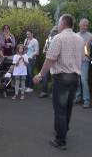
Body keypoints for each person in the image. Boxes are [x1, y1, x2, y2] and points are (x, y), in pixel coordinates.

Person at [33, 14, 84, 150]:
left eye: (59, 21)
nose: (58, 24)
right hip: (75, 77)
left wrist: (40, 75)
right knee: (67, 108)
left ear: (63, 23)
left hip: (62, 78)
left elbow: (50, 59)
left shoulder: (58, 37)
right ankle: (63, 130)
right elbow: (83, 57)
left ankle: (61, 140)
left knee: (60, 109)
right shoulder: (79, 39)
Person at [74, 18, 92, 108]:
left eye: (86, 25)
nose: (84, 27)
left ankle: (87, 100)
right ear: (79, 25)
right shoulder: (75, 35)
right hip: (76, 61)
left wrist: (89, 54)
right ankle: (78, 97)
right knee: (77, 79)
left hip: (85, 61)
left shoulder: (90, 36)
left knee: (83, 80)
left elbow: (88, 50)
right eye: (83, 25)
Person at [39, 26, 58, 98]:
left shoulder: (51, 38)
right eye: (53, 31)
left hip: (51, 59)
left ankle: (46, 92)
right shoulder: (49, 38)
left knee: (49, 76)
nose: (53, 32)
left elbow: (44, 50)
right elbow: (44, 49)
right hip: (51, 59)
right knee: (49, 76)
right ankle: (49, 92)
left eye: (55, 31)